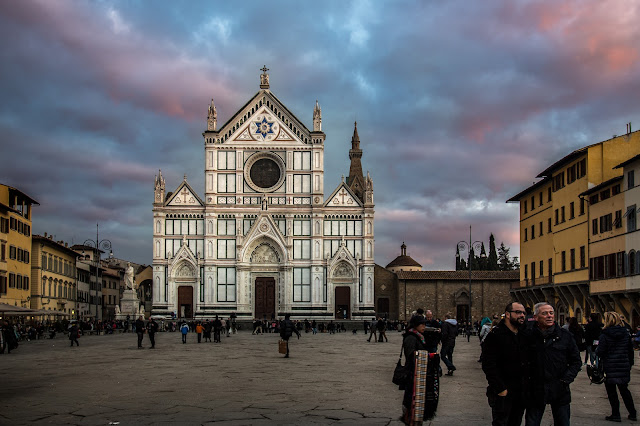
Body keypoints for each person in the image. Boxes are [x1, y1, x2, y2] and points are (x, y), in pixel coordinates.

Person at [522, 302, 581, 426]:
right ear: (536, 317)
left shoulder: (565, 336)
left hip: (559, 388)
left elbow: (576, 361)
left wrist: (565, 380)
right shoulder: (528, 336)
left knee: (563, 422)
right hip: (535, 389)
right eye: (545, 313)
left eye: (551, 313)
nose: (549, 316)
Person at [482, 302, 527, 426]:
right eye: (518, 312)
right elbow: (488, 365)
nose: (522, 315)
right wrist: (501, 389)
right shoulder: (495, 336)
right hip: (502, 392)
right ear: (507, 314)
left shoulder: (524, 335)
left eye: (523, 313)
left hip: (520, 392)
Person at [596, 311, 637, 422]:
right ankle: (632, 413)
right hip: (623, 365)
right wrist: (630, 363)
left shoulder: (605, 334)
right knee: (624, 390)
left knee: (611, 391)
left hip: (609, 366)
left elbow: (600, 351)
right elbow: (630, 350)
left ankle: (616, 414)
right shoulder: (625, 333)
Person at [401, 314, 438, 424]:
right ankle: (411, 420)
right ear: (415, 325)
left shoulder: (419, 336)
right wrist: (427, 356)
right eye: (422, 324)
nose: (424, 326)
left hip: (419, 374)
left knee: (418, 401)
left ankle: (416, 419)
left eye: (424, 324)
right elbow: (411, 355)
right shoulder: (411, 338)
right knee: (412, 401)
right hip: (413, 374)